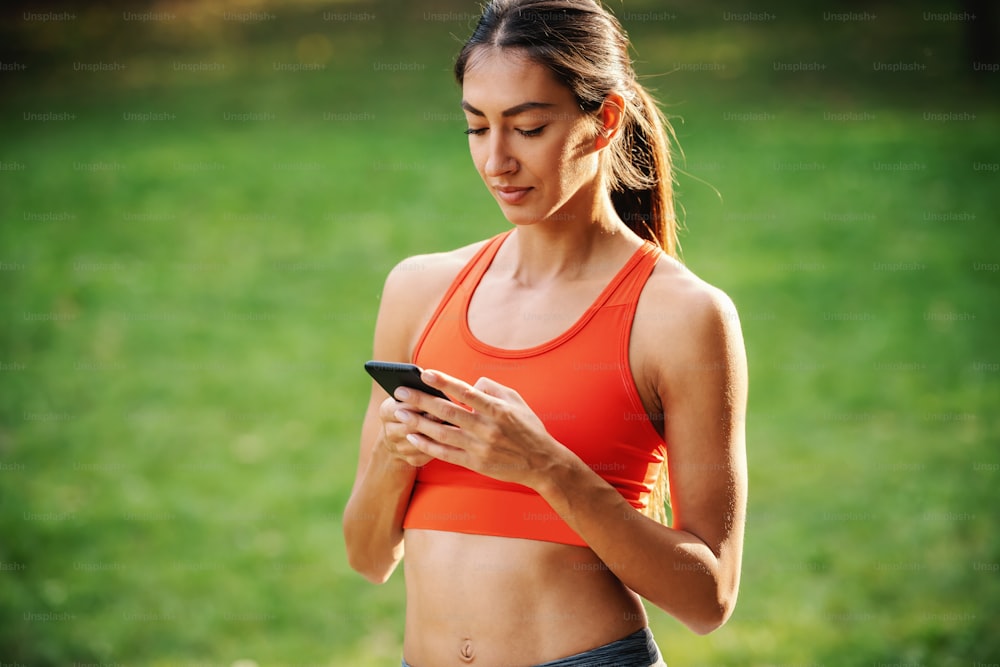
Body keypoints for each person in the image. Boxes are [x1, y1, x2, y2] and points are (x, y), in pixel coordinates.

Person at [342, 1, 748, 665]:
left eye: (527, 127)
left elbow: (708, 596)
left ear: (604, 120)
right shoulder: (418, 290)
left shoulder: (680, 315)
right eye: (477, 127)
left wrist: (547, 467)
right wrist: (395, 451)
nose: (496, 159)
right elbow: (366, 555)